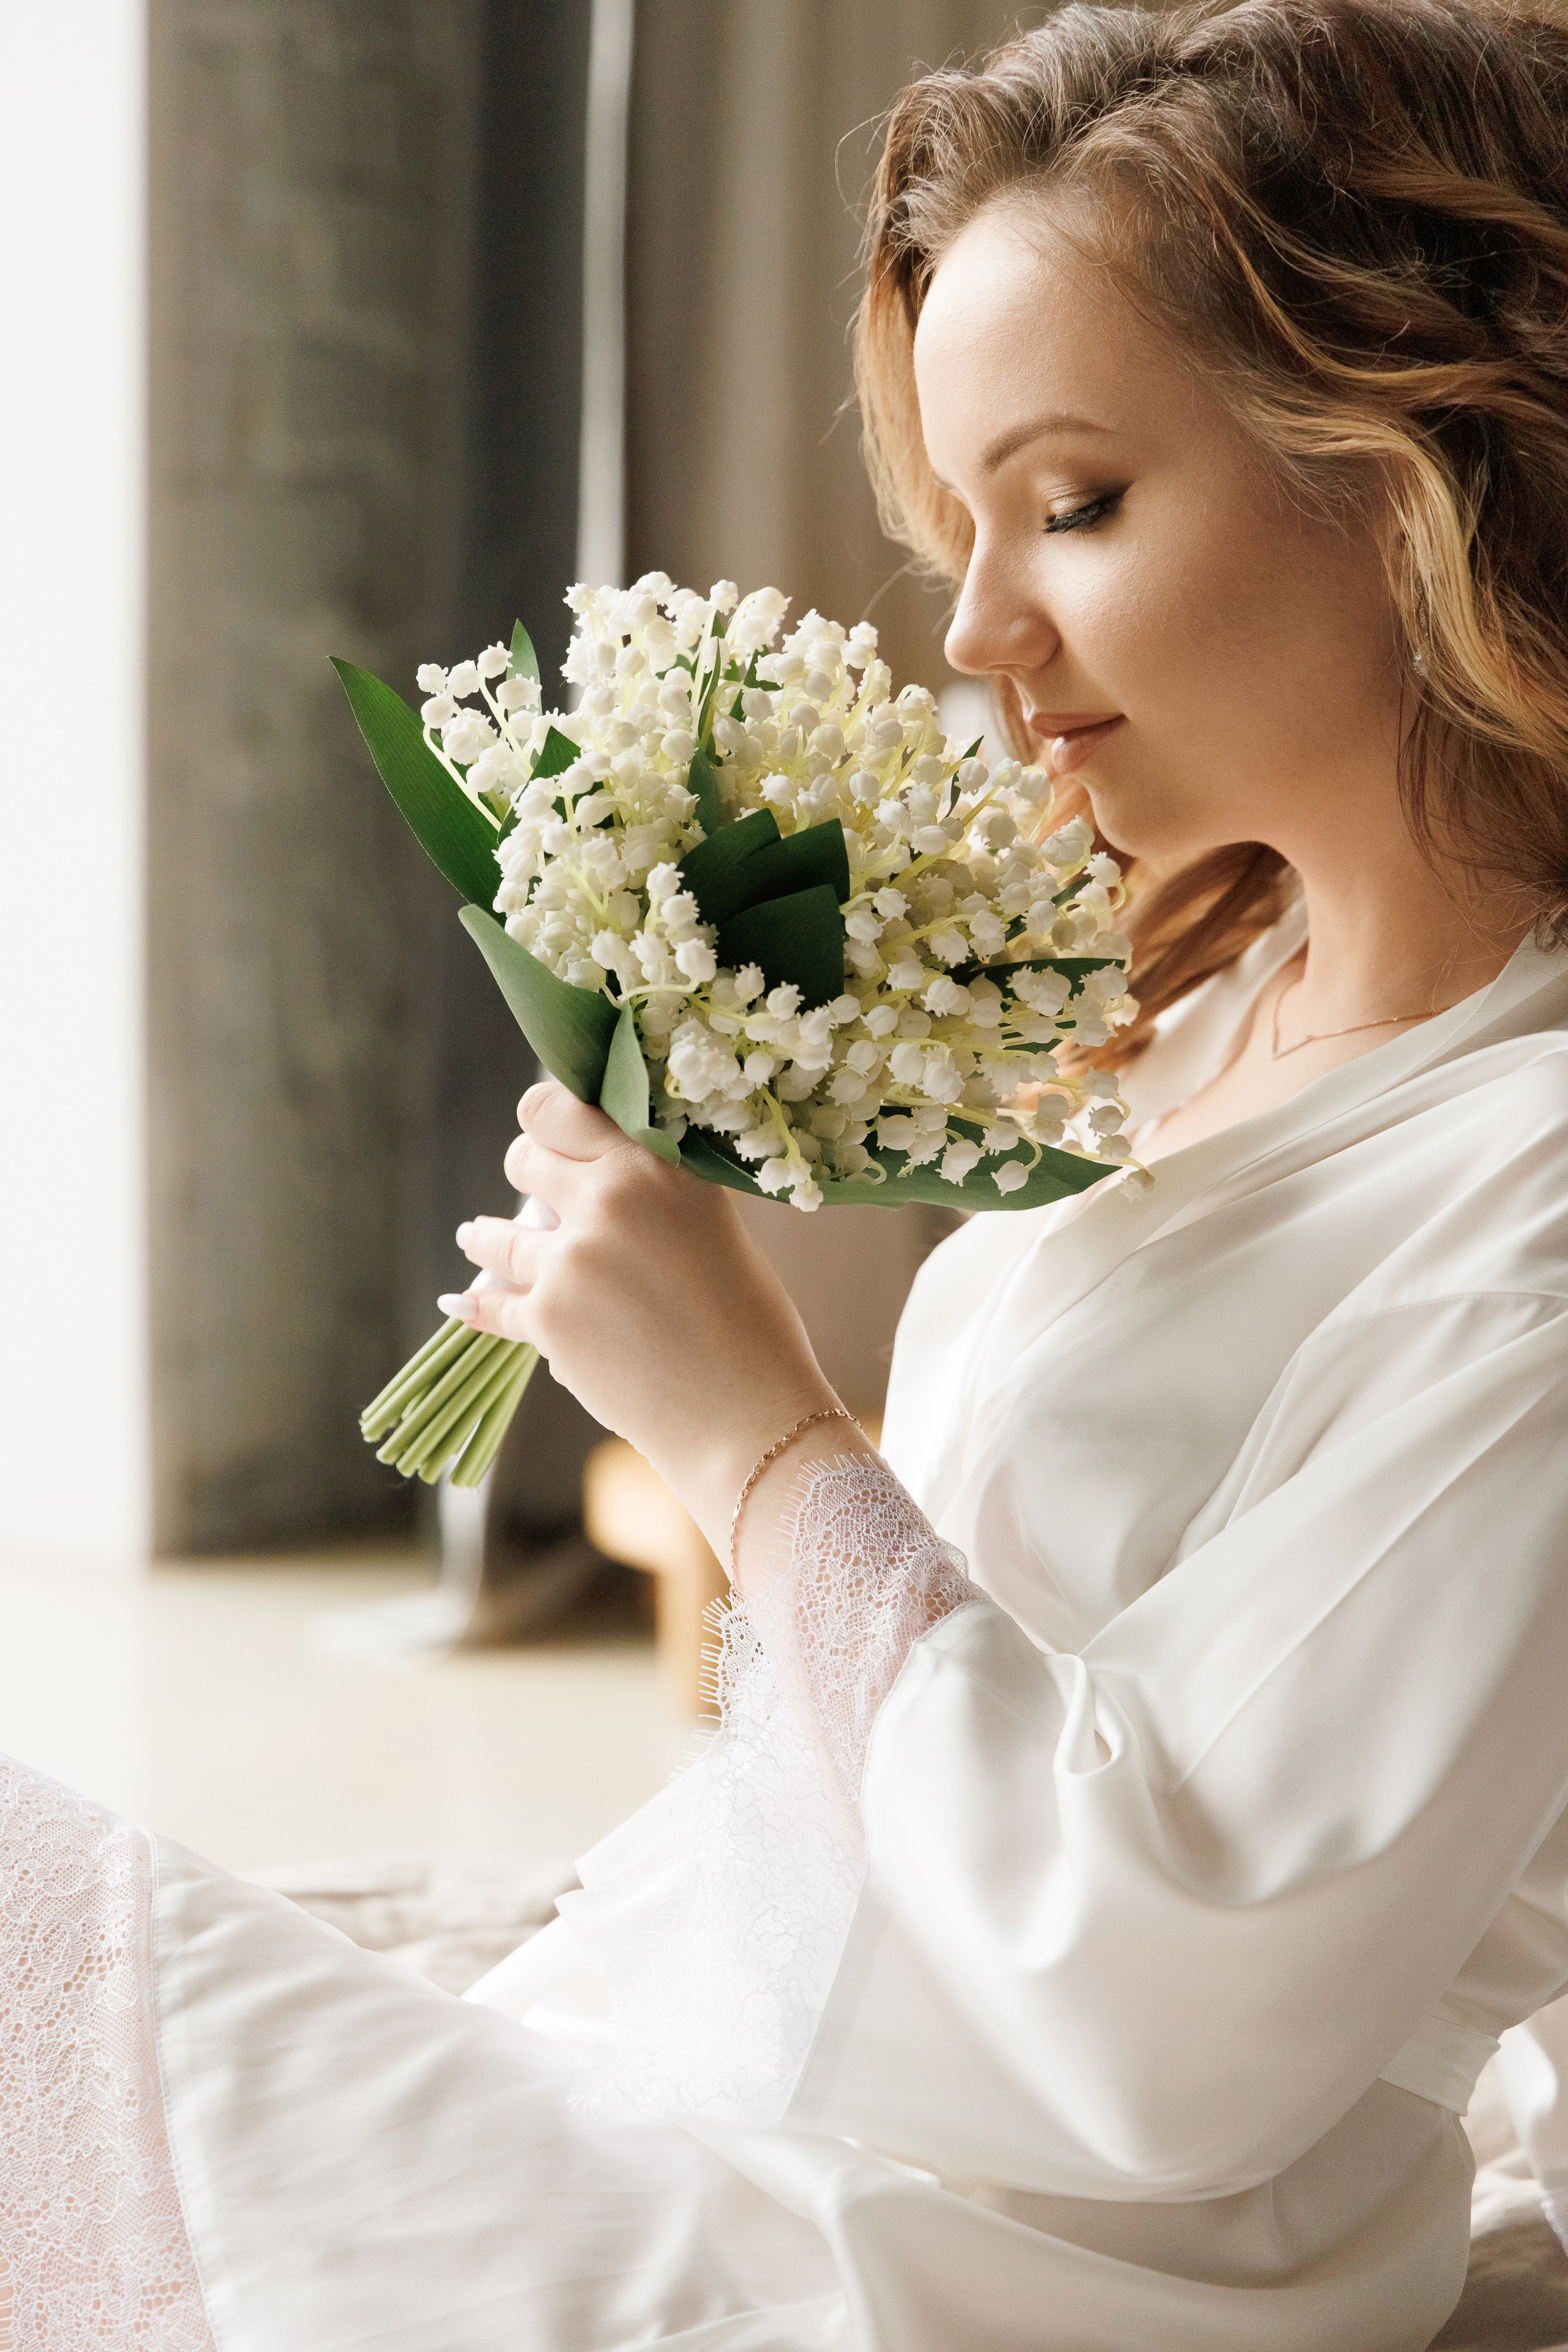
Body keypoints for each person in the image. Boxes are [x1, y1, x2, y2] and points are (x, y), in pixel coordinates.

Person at [8, 0, 1568, 2343]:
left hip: (969, 2258)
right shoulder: (1237, 1017)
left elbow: (1165, 2019)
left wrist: (751, 1431)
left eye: (1080, 503)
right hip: (747, 2091)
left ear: (1421, 461)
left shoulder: (1529, 1212)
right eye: (969, 525)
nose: (972, 628)